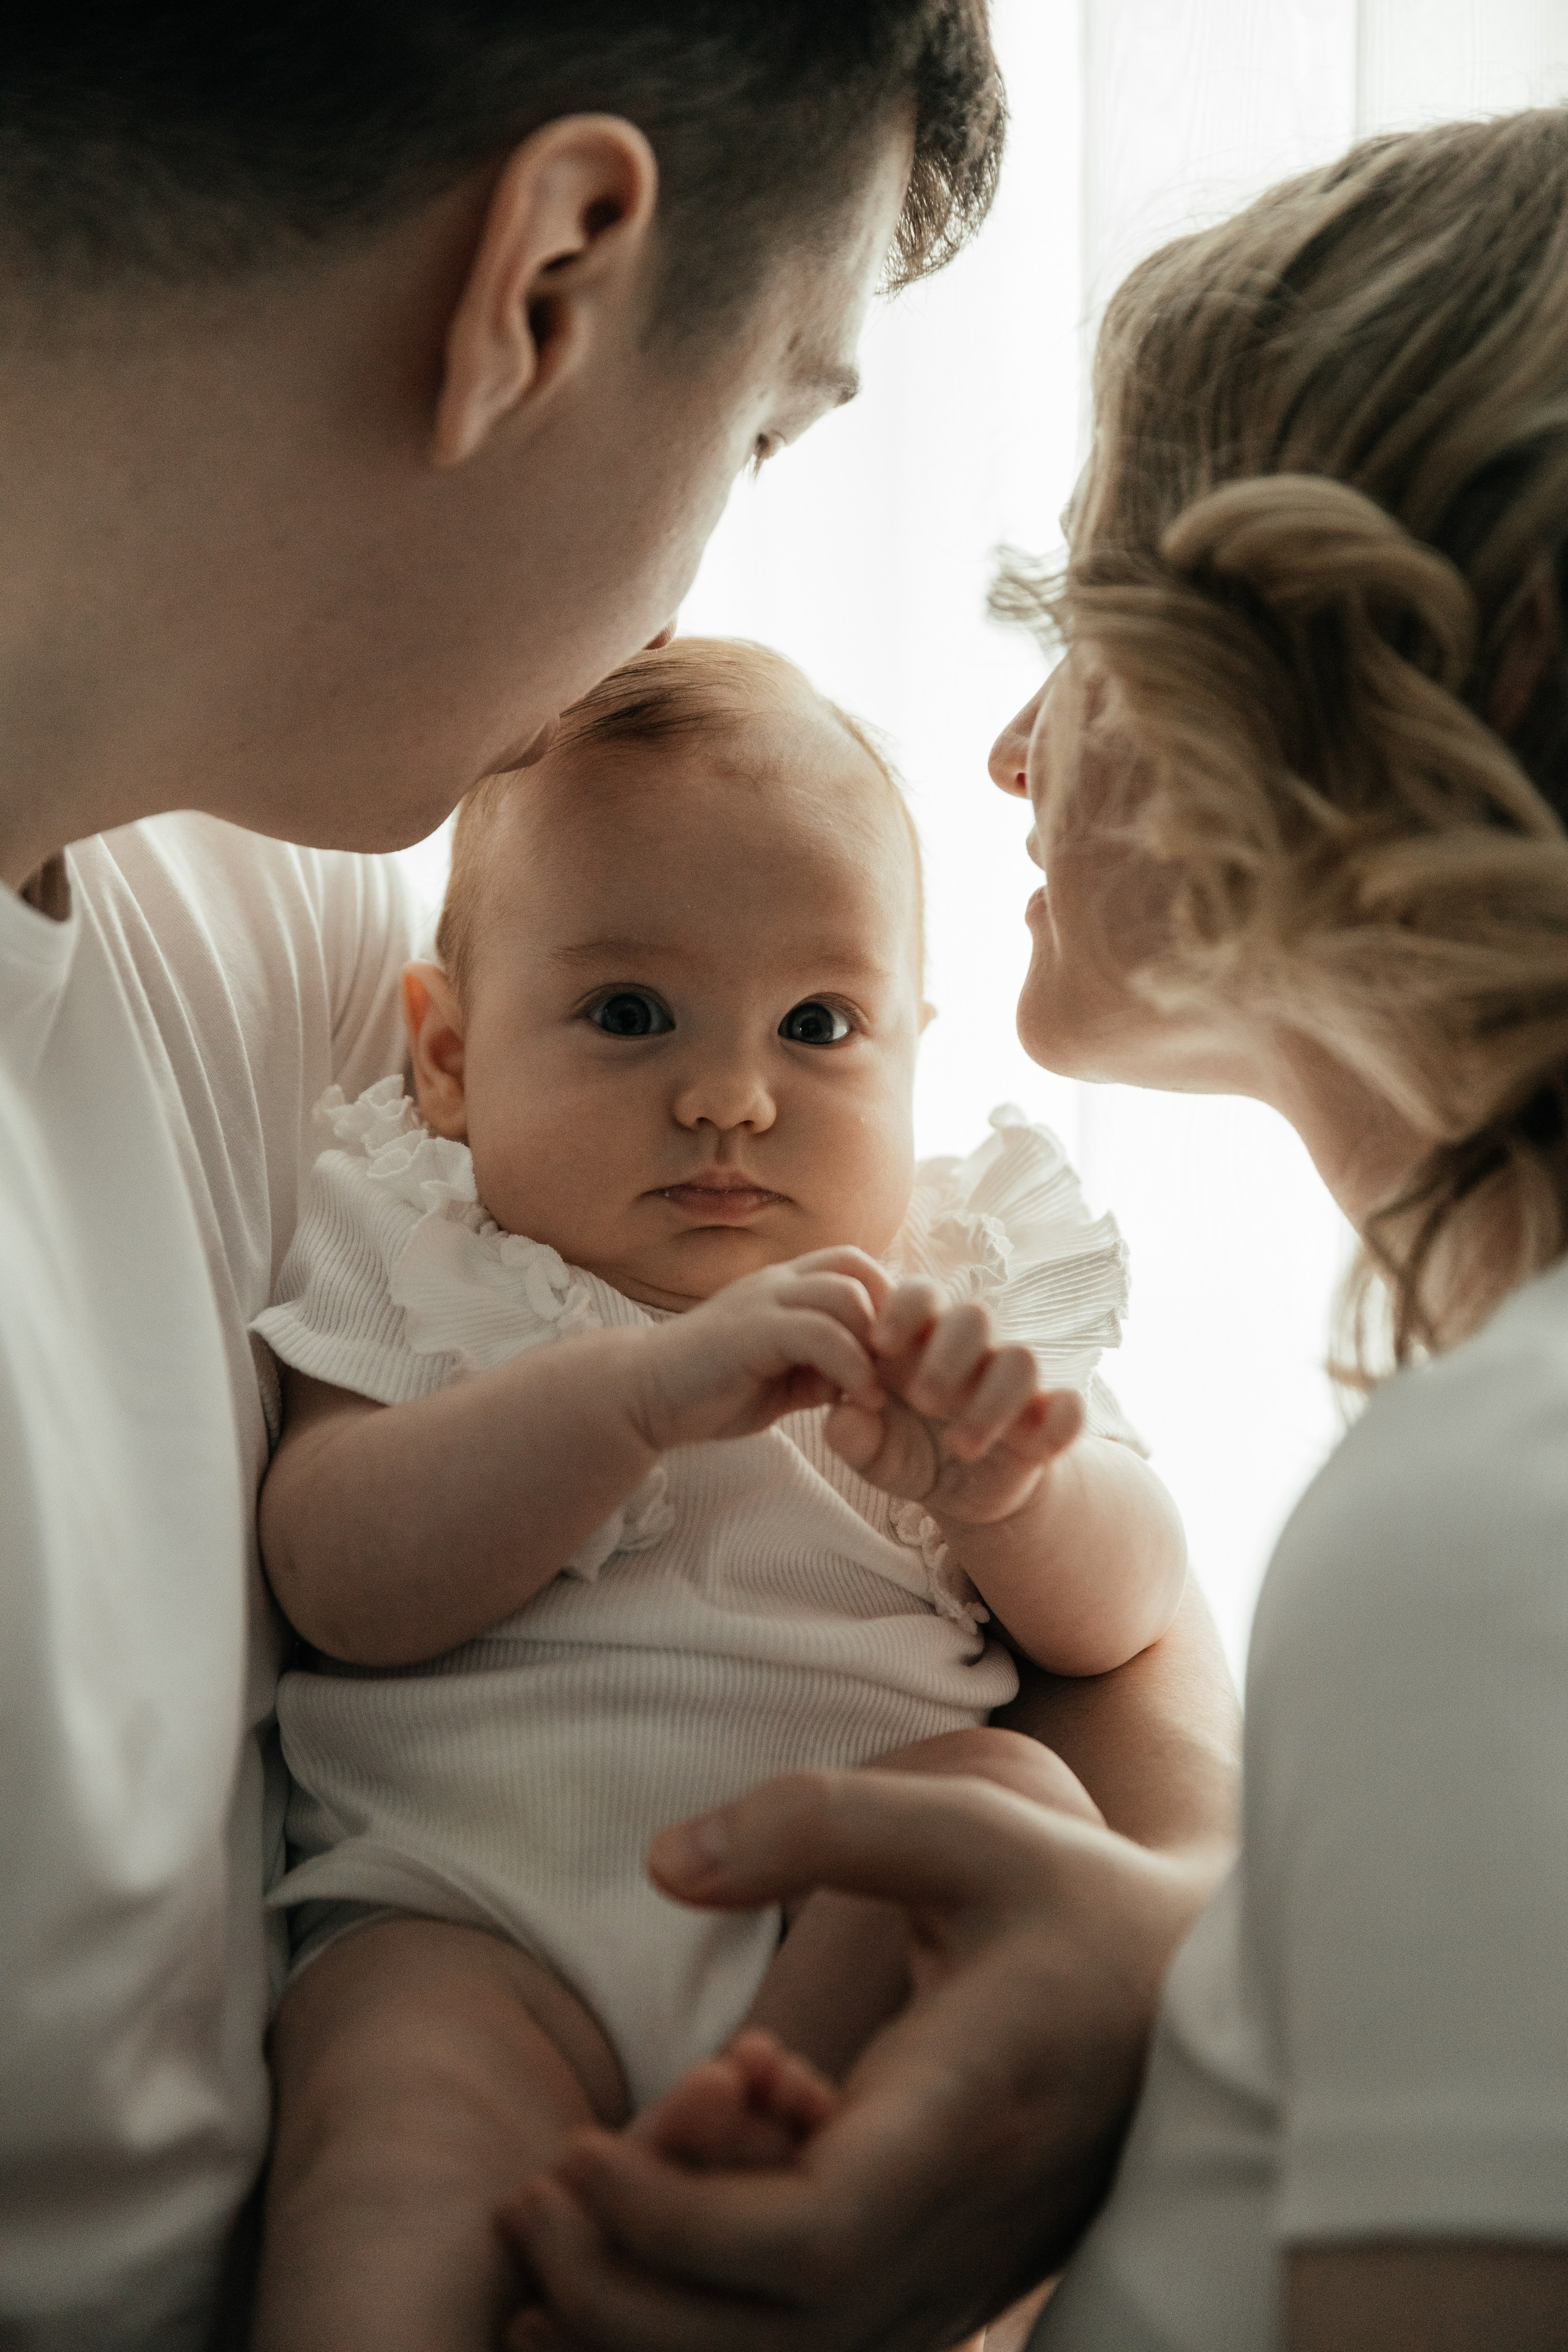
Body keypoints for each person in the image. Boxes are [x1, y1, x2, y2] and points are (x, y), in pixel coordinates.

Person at [0, 10, 1028, 2346]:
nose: (683, 616)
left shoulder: (290, 914)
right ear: (546, 285)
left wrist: (1153, 1901)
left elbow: (1026, 1612)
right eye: (762, 429)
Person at [500, 105, 1568, 2352]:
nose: (1007, 755)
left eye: (1082, 615)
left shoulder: (1495, 1510)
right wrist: (1177, 1987)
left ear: (1330, 665)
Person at [244, 636, 1188, 2350]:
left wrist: (1011, 1491)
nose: (732, 1097)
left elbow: (1126, 1609)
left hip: (827, 1942)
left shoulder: (955, 1274)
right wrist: (623, 1398)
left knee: (1009, 1789)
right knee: (389, 2161)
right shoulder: (428, 1233)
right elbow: (333, 1574)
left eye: (819, 1026)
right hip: (479, 1918)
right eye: (628, 1015)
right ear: (448, 1059)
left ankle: (782, 2207)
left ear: (912, 1044)